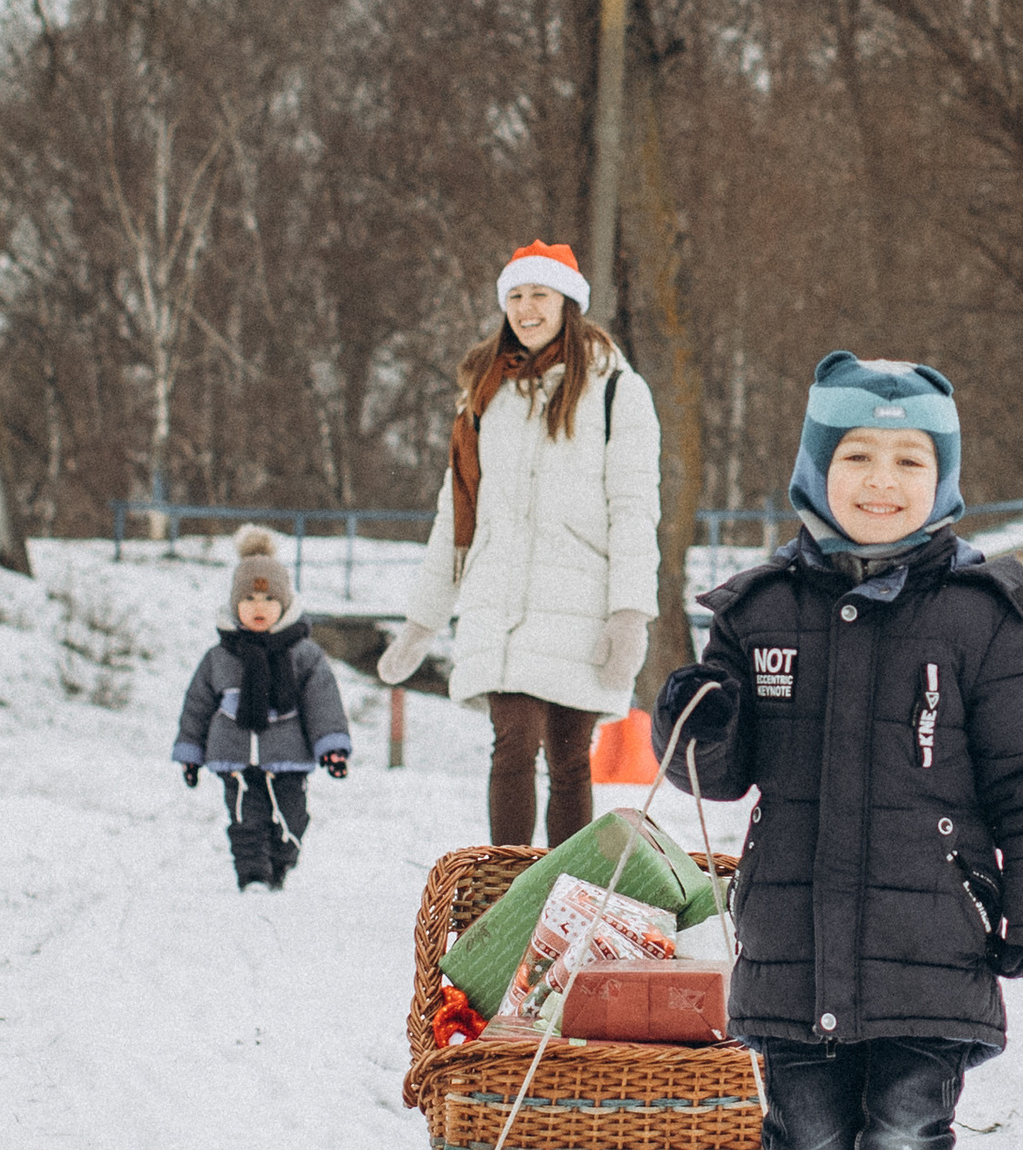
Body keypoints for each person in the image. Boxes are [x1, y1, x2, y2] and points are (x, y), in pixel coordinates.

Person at [654, 352, 1023, 1150]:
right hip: (796, 938)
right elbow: (716, 774)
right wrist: (693, 711)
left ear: (939, 478)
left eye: (908, 459)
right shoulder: (757, 611)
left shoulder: (987, 614)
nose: (881, 480)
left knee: (907, 1143)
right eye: (857, 455)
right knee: (803, 1148)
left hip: (932, 937)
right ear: (816, 468)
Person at [378, 241, 662, 856]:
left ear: (568, 303)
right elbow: (456, 513)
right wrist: (421, 624)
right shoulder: (486, 395)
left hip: (578, 603)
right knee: (514, 738)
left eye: (540, 295)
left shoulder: (617, 392)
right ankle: (507, 892)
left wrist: (629, 614)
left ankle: (567, 895)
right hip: (497, 603)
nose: (527, 309)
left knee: (569, 756)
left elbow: (635, 510)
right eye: (515, 296)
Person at [174, 528, 352, 890]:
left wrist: (331, 749)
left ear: (285, 604)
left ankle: (280, 865)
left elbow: (322, 701)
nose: (259, 607)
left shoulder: (303, 654)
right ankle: (253, 875)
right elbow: (197, 705)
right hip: (236, 758)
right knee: (246, 819)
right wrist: (191, 754)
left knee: (293, 820)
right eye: (250, 598)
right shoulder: (220, 656)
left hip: (288, 756)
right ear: (235, 604)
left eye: (269, 598)